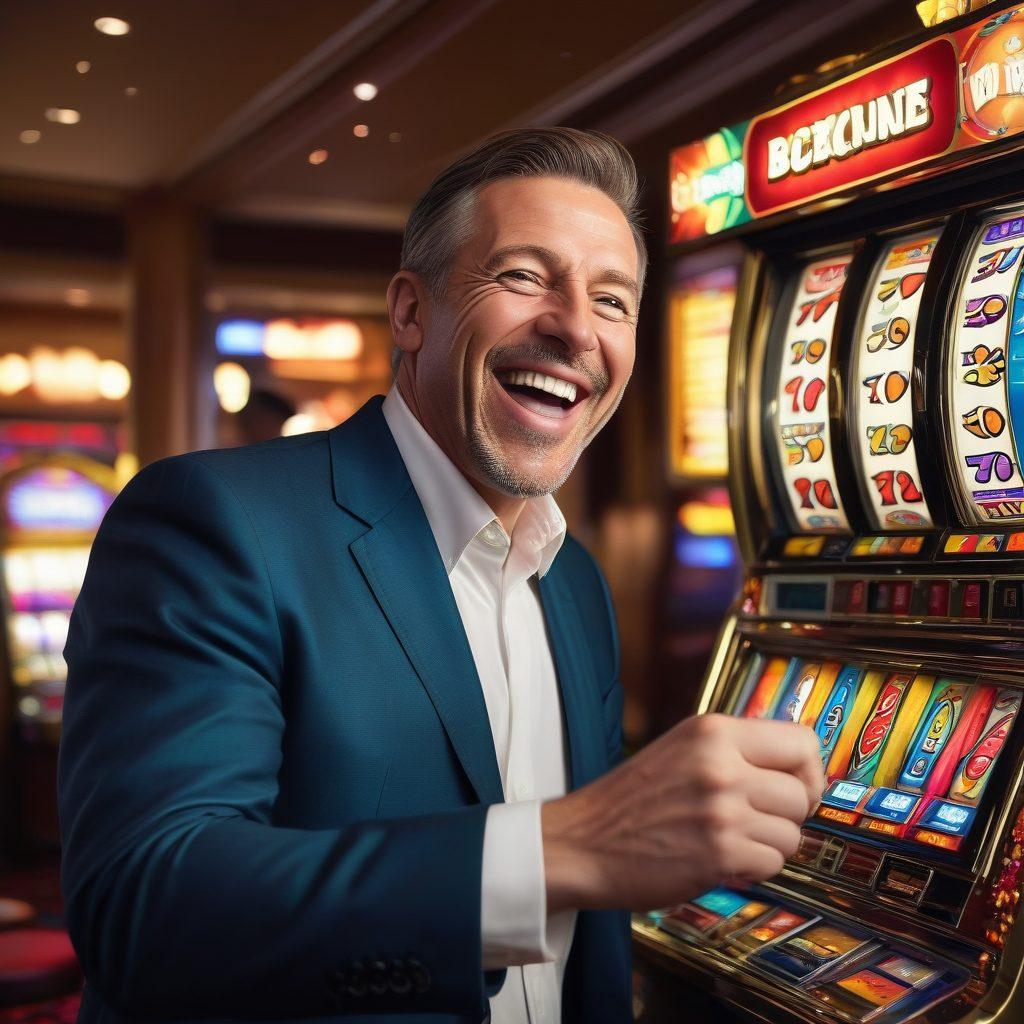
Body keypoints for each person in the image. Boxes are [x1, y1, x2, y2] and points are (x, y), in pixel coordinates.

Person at [59, 127, 823, 1024]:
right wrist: (563, 849)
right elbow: (142, 908)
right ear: (411, 313)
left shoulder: (573, 579)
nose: (576, 326)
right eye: (525, 276)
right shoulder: (216, 520)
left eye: (612, 300)